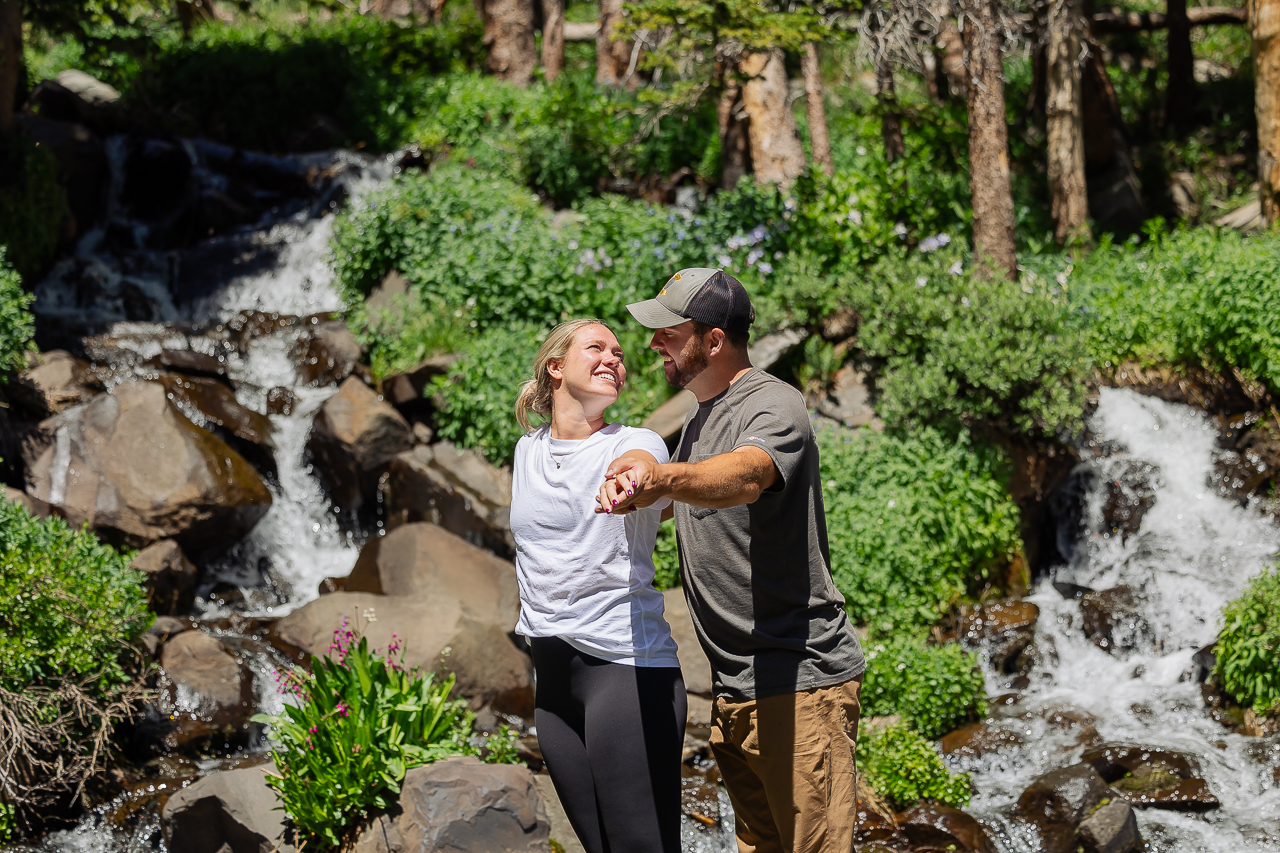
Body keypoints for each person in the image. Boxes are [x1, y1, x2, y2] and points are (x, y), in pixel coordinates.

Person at [596, 269, 866, 853]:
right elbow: (667, 498)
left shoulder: (773, 403)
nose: (653, 343)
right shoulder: (697, 422)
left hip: (798, 684)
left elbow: (746, 476)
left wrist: (661, 476)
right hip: (736, 690)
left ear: (713, 341)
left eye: (669, 332)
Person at [509, 318, 687, 853]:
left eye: (619, 353)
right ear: (556, 366)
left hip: (626, 670)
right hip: (554, 678)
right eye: (597, 348)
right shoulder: (527, 452)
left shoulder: (635, 442)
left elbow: (645, 467)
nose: (614, 358)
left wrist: (634, 477)